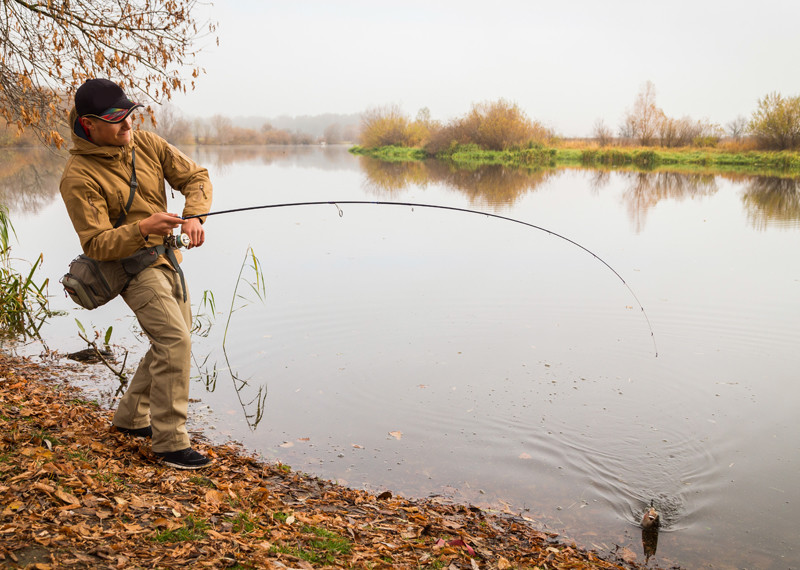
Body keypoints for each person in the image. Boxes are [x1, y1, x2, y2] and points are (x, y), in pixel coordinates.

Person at [60, 78, 213, 469]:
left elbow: (196, 177)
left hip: (167, 261)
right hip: (129, 268)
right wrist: (144, 229)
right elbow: (97, 244)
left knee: (172, 341)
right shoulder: (78, 177)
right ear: (89, 125)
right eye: (117, 120)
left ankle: (129, 419)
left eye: (130, 115)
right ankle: (170, 443)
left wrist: (194, 213)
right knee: (175, 341)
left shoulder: (146, 143)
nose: (128, 125)